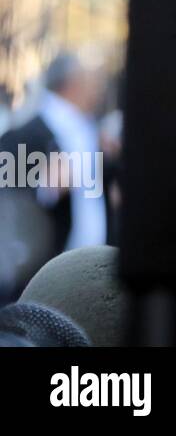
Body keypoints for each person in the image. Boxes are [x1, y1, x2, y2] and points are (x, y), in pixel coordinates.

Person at [0, 52, 111, 295]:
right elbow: (8, 200)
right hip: (44, 280)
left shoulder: (90, 129)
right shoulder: (25, 135)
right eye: (92, 80)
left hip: (92, 275)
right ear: (72, 84)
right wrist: (45, 188)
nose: (99, 88)